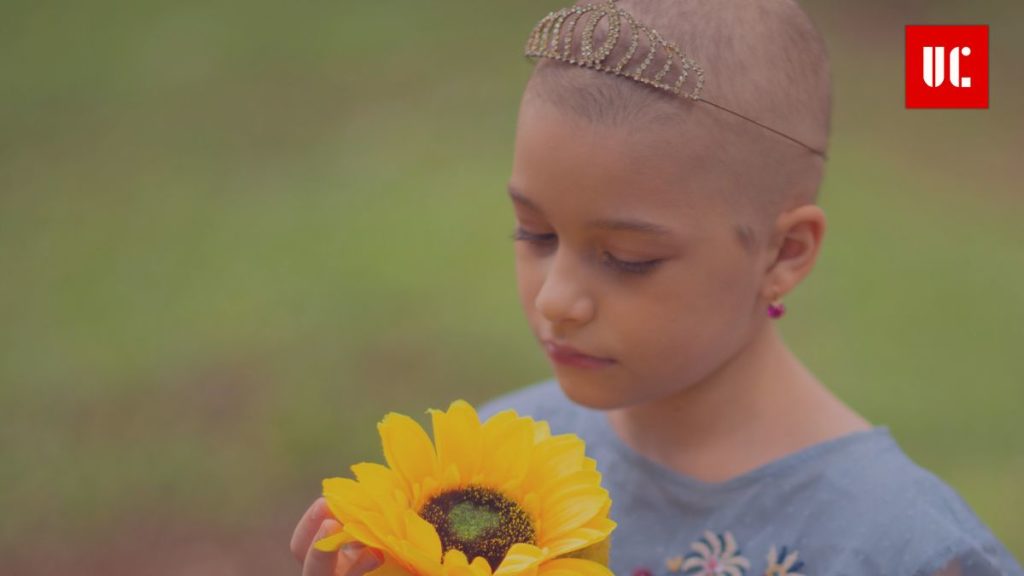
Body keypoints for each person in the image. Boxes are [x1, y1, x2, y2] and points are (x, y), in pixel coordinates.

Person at [290, 0, 1023, 574]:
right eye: (535, 234)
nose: (555, 300)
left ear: (785, 252)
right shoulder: (486, 476)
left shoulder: (901, 549)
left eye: (628, 258)